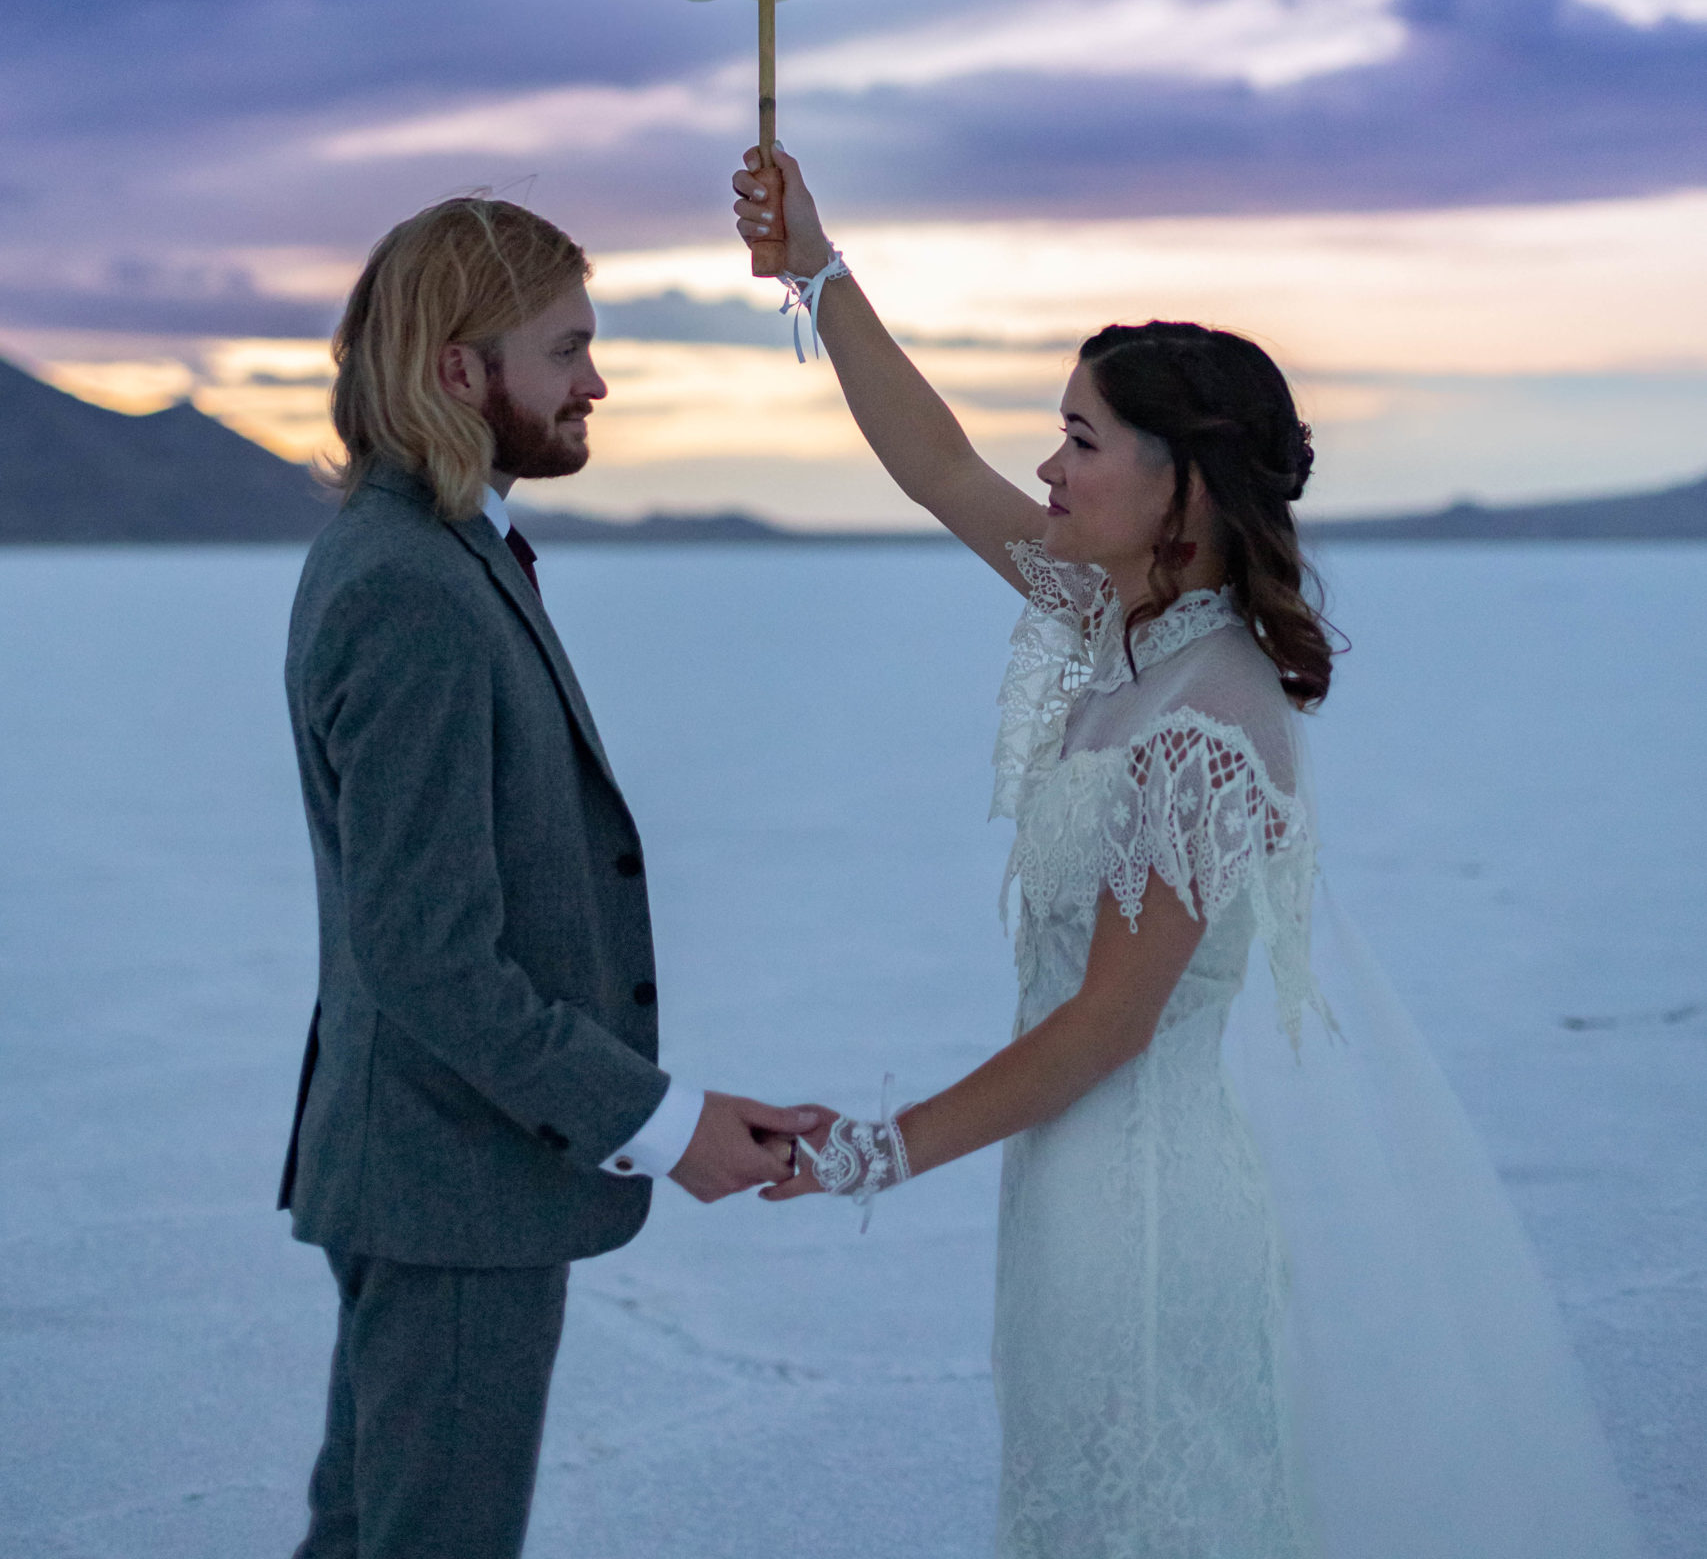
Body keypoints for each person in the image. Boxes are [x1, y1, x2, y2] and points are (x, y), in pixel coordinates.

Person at [733, 147, 1643, 1559]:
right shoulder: (1121, 628)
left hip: (1144, 1221)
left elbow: (1108, 1022)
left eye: (1084, 439)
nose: (1048, 463)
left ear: (1189, 487)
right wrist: (821, 265)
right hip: (1077, 1200)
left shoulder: (1205, 714)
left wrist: (874, 1152)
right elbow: (933, 466)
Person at [278, 196, 824, 1559]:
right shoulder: (411, 586)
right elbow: (431, 961)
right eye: (567, 348)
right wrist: (657, 1121)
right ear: (460, 371)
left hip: (433, 1167)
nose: (596, 381)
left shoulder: (439, 550)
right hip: (451, 1180)